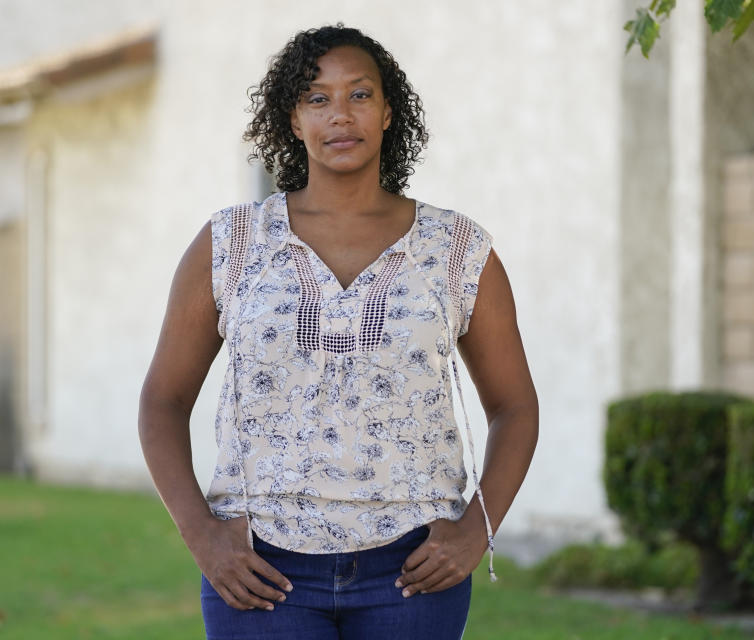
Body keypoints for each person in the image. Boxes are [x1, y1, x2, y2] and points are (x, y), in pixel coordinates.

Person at [138, 23, 538, 640]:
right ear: (293, 121)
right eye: (317, 98)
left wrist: (474, 531)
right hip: (260, 570)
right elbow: (162, 400)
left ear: (387, 113)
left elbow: (514, 406)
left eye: (360, 94)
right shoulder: (233, 243)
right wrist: (204, 538)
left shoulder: (456, 249)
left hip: (413, 573)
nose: (340, 115)